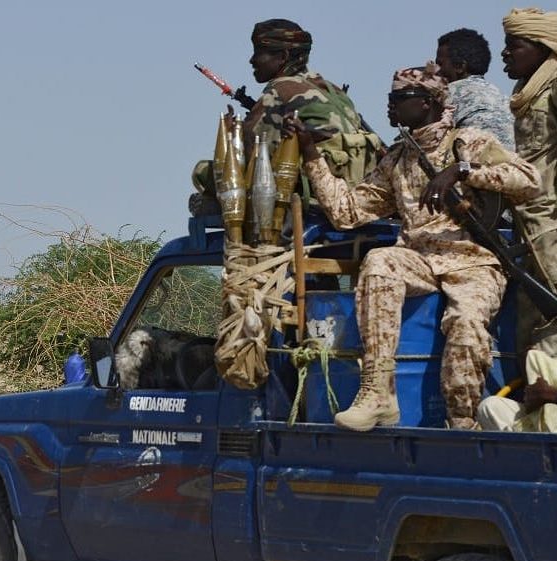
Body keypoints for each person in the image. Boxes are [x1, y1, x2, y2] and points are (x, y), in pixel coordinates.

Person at [284, 62, 540, 431]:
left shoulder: (468, 142)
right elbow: (347, 211)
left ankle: (463, 425)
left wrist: (464, 170)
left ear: (428, 103)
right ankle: (377, 393)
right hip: (420, 258)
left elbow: (529, 180)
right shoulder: (398, 158)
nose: (390, 106)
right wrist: (311, 154)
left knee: (466, 326)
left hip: (472, 262)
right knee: (380, 261)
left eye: (399, 98)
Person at [191, 19, 382, 213]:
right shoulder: (333, 90)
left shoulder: (279, 89)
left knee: (204, 172)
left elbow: (252, 156)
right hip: (351, 191)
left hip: (313, 194)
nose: (252, 60)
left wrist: (233, 133)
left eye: (258, 52)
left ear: (283, 56)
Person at [477, 7, 557, 432]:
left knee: (552, 319)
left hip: (551, 224)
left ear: (542, 48)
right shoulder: (529, 91)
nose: (505, 54)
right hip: (528, 222)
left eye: (515, 46)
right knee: (530, 324)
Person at [436, 28, 515, 149]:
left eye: (440, 64)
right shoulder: (497, 93)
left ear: (459, 66)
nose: (436, 71)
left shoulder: (450, 92)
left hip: (476, 163)